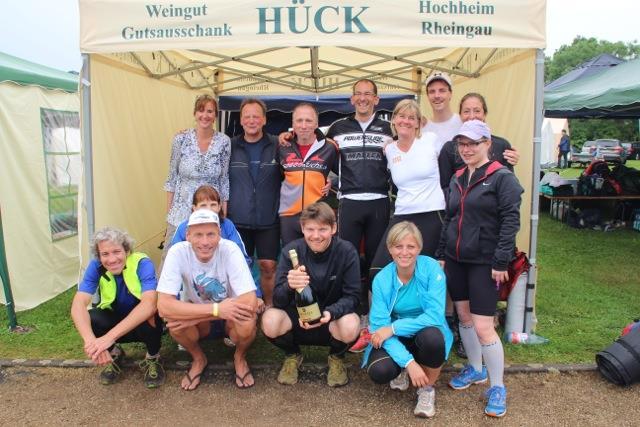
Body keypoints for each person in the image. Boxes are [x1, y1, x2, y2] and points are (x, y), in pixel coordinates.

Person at [436, 120, 523, 418]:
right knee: (463, 316)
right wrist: (442, 253)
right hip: (456, 259)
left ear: (487, 143)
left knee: (484, 326)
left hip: (486, 262)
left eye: (473, 143)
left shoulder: (502, 177)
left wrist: (501, 261)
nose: (467, 149)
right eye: (462, 144)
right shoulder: (458, 176)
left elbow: (511, 221)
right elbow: (450, 218)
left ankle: (498, 386)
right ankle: (475, 369)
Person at [324, 79, 394, 351]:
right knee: (348, 261)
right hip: (349, 201)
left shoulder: (389, 128)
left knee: (378, 264)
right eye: (358, 94)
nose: (363, 99)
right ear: (352, 99)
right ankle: (350, 314)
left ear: (376, 99)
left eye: (368, 94)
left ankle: (375, 319)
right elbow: (320, 153)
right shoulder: (337, 128)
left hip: (379, 201)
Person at [261, 202, 360, 387]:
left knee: (351, 324)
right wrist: (289, 286)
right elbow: (277, 301)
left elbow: (353, 297)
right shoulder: (291, 252)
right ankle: (292, 354)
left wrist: (331, 312)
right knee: (270, 320)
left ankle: (336, 357)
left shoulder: (346, 251)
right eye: (310, 229)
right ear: (302, 228)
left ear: (334, 228)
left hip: (331, 320)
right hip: (298, 321)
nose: (316, 236)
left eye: (322, 229)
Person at [157, 209, 258, 390]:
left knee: (248, 321)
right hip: (208, 318)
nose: (205, 242)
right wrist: (216, 310)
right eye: (198, 235)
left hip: (230, 318)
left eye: (211, 234)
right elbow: (163, 307)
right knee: (174, 323)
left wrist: (196, 316)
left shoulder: (230, 249)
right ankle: (198, 358)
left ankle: (239, 357)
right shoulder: (177, 252)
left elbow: (250, 302)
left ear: (219, 234)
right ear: (188, 235)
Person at [363, 221, 452, 418]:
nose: (404, 252)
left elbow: (435, 316)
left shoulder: (432, 269)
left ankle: (427, 389)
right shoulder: (381, 279)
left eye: (411, 246)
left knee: (433, 339)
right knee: (379, 370)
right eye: (398, 246)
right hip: (394, 336)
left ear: (419, 248)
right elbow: (379, 327)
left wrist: (394, 327)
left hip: (424, 330)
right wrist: (409, 362)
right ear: (389, 249)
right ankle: (404, 367)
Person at [70, 227, 164, 388]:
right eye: (105, 254)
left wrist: (108, 338)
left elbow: (149, 304)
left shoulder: (142, 263)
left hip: (141, 322)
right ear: (99, 256)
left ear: (127, 251)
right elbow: (78, 305)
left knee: (151, 315)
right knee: (91, 318)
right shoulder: (96, 266)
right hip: (115, 317)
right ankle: (114, 354)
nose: (112, 259)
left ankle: (153, 357)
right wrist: (91, 342)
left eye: (117, 252)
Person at [370, 99, 445, 276]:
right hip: (402, 214)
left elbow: (459, 159)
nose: (406, 121)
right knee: (378, 271)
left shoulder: (431, 140)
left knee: (426, 272)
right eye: (402, 116)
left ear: (418, 123)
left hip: (432, 214)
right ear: (394, 119)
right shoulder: (389, 149)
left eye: (412, 118)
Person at [170, 184, 264, 313]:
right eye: (203, 205)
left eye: (213, 205)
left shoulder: (228, 226)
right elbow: (174, 266)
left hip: (226, 286)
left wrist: (255, 294)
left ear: (219, 207)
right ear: (194, 208)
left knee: (247, 317)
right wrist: (174, 301)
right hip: (194, 290)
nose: (208, 209)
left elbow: (243, 260)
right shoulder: (183, 228)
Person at [161, 94, 231, 268]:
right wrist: (169, 215)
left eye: (210, 111)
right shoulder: (181, 140)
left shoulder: (224, 142)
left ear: (215, 115)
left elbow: (224, 180)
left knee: (207, 260)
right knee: (171, 258)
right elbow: (171, 178)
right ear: (194, 113)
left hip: (209, 211)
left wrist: (223, 216)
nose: (205, 115)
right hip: (180, 211)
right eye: (201, 110)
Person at [228, 98, 281, 307]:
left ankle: (269, 307)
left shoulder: (278, 144)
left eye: (256, 116)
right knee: (240, 268)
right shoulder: (229, 146)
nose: (252, 121)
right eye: (247, 116)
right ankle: (244, 309)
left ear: (264, 120)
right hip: (237, 219)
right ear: (241, 120)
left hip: (268, 219)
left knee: (268, 266)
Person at [278, 103, 338, 245]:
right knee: (292, 256)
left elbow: (346, 173)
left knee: (318, 255)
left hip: (317, 214)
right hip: (289, 216)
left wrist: (332, 182)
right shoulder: (282, 146)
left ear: (316, 124)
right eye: (299, 121)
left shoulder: (330, 146)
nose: (303, 126)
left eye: (308, 121)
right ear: (293, 123)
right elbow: (273, 176)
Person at [438, 92, 520, 190]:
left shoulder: (502, 145)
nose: (472, 116)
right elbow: (444, 187)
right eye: (466, 111)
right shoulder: (449, 148)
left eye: (477, 111)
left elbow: (508, 186)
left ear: (484, 114)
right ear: (460, 115)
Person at [421, 71, 463, 151]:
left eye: (442, 90)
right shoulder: (423, 129)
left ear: (450, 94)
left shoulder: (462, 123)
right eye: (432, 91)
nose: (437, 96)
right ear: (427, 96)